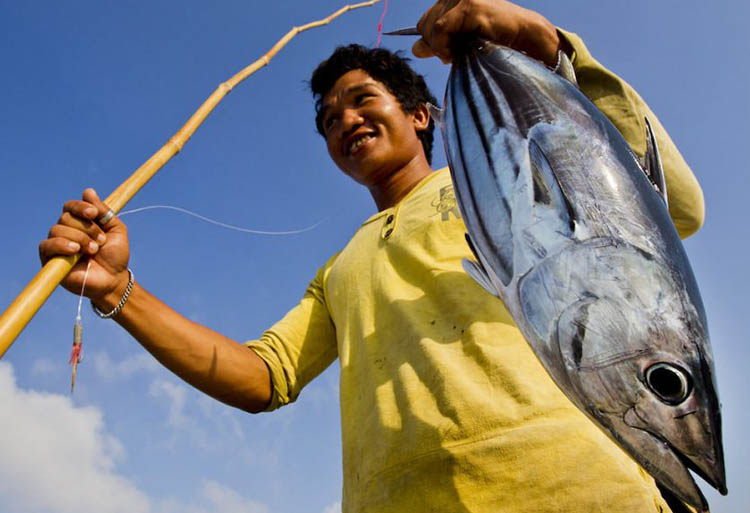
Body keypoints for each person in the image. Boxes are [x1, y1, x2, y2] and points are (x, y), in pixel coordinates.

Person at [39, 1, 704, 511]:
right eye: (329, 118)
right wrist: (117, 291)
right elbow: (262, 377)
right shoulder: (340, 267)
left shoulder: (502, 186)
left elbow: (670, 206)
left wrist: (548, 47)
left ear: (421, 115)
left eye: (363, 100)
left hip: (579, 491)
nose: (345, 120)